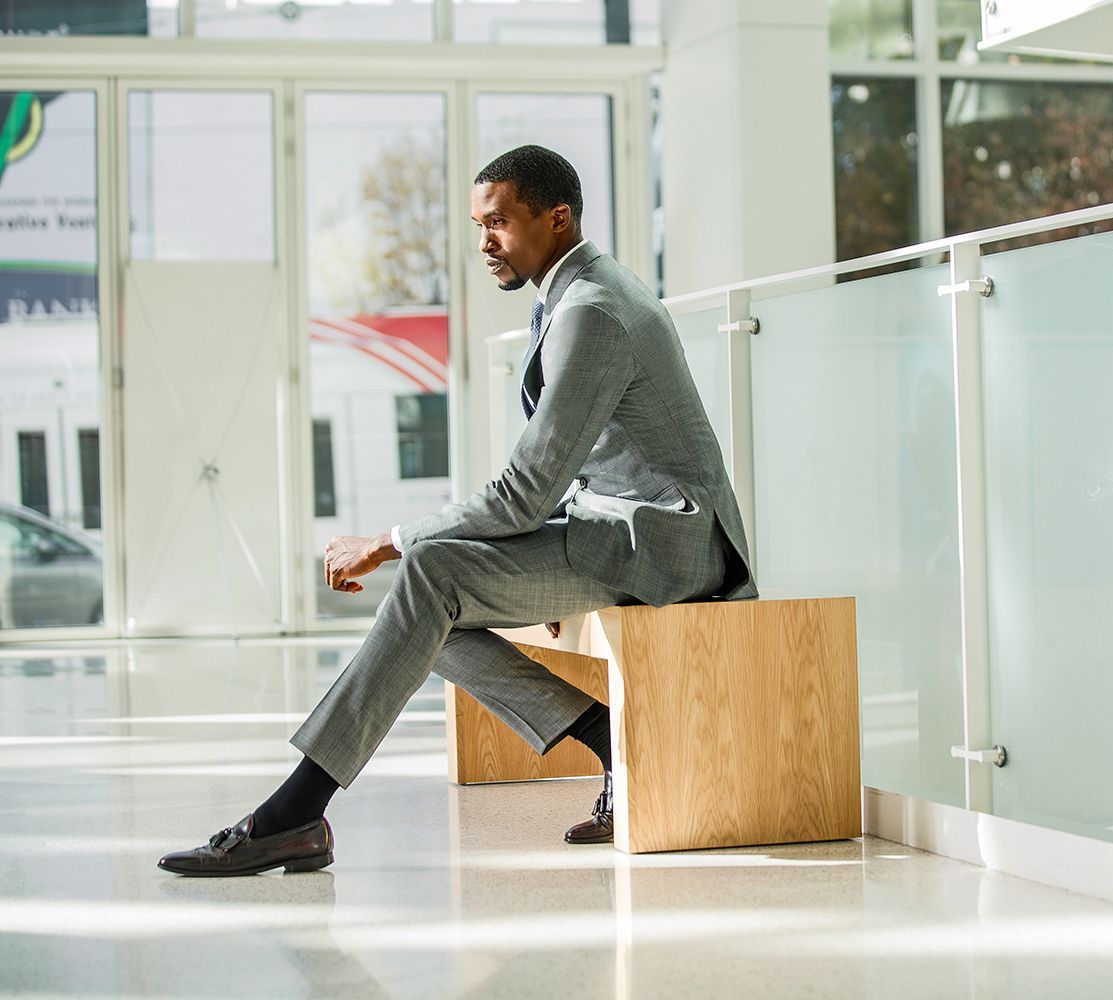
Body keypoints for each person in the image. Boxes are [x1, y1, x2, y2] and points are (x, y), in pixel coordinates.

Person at [159, 145, 756, 876]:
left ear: (558, 217)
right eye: (479, 224)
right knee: (430, 595)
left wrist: (386, 541)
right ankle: (603, 739)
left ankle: (292, 815)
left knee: (426, 577)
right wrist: (538, 554)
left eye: (499, 223)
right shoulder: (574, 291)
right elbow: (573, 473)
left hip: (667, 545)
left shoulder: (594, 311)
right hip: (620, 527)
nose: (483, 244)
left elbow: (524, 491)